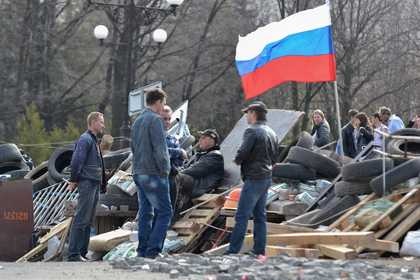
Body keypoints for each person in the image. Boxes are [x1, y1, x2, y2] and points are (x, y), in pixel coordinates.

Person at [226, 101, 278, 256]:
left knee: (241, 215)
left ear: (253, 113)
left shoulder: (251, 131)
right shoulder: (272, 132)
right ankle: (259, 250)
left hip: (254, 178)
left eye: (247, 113)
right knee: (260, 216)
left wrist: (236, 161)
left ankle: (233, 251)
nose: (246, 116)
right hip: (266, 177)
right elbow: (275, 157)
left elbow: (243, 152)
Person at [131, 89, 172, 259]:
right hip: (153, 173)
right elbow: (160, 149)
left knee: (146, 212)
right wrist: (165, 171)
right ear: (158, 101)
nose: (163, 107)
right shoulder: (155, 120)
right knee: (165, 211)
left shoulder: (137, 121)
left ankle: (142, 250)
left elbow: (133, 148)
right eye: (162, 103)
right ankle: (153, 250)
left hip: (138, 172)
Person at [67, 112, 106, 262]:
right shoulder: (85, 139)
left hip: (94, 183)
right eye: (101, 122)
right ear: (93, 122)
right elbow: (77, 161)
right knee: (81, 218)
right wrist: (73, 180)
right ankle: (73, 254)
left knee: (88, 219)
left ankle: (82, 253)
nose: (103, 125)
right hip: (87, 183)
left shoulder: (93, 140)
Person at [174, 129, 224, 217]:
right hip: (191, 184)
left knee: (176, 177)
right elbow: (185, 167)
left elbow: (194, 171)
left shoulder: (215, 156)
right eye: (200, 138)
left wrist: (174, 173)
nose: (200, 140)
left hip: (199, 187)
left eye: (203, 138)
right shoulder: (200, 154)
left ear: (212, 140)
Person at [160, 105, 188, 212]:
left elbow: (180, 161)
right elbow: (161, 153)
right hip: (158, 177)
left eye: (169, 119)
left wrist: (175, 154)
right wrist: (179, 152)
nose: (167, 122)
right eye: (164, 119)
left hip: (172, 176)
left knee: (169, 210)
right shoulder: (153, 135)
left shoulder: (172, 138)